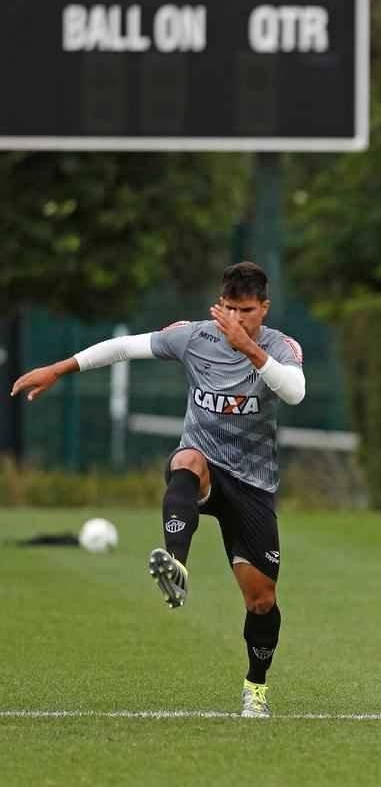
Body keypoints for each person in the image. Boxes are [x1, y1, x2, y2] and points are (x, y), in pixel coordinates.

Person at [10, 262, 304, 717]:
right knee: (186, 461)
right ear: (219, 305)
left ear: (263, 308)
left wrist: (248, 348)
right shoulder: (194, 337)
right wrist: (58, 369)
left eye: (246, 310)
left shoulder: (281, 347)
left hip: (252, 484)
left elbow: (295, 393)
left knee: (261, 600)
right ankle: (176, 566)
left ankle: (256, 687)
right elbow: (124, 347)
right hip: (205, 463)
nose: (235, 318)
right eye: (229, 308)